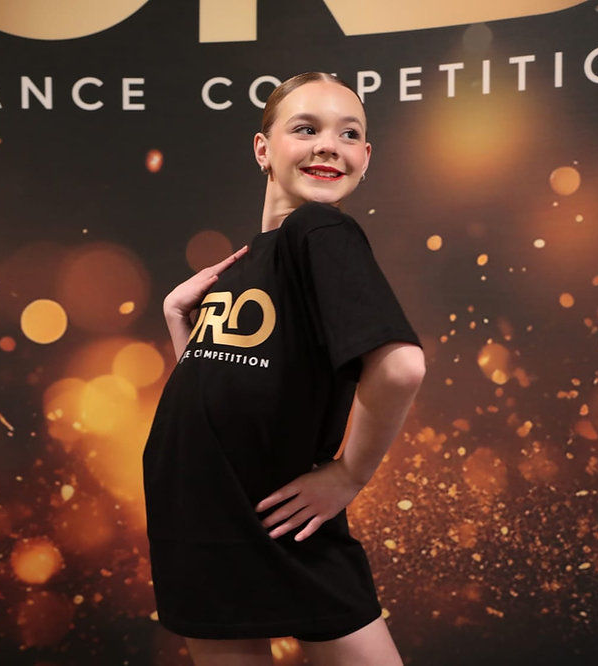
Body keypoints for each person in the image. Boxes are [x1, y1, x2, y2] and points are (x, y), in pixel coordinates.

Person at [142, 72, 425, 666]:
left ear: (366, 158)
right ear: (262, 148)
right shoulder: (250, 260)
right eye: (306, 128)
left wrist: (349, 474)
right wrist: (178, 323)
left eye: (349, 134)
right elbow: (227, 387)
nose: (329, 144)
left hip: (263, 526)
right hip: (203, 526)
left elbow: (399, 367)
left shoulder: (318, 230)